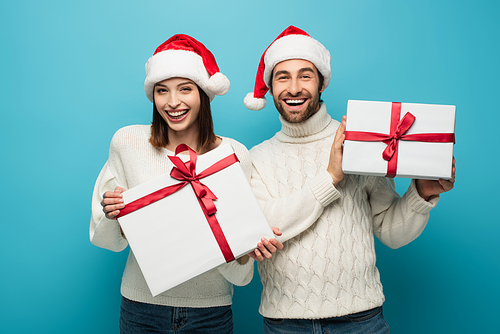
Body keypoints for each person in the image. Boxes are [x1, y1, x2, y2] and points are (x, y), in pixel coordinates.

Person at [244, 26, 456, 333]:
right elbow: (265, 228)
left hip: (361, 320)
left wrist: (420, 194)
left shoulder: (359, 144)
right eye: (282, 77)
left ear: (321, 83)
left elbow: (391, 234)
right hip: (285, 323)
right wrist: (330, 177)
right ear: (271, 87)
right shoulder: (257, 157)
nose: (293, 88)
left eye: (305, 75)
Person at [90, 34, 282, 334]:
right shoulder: (127, 143)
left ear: (203, 94)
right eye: (162, 90)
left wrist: (247, 249)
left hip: (210, 313)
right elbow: (107, 240)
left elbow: (240, 273)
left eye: (185, 89)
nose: (173, 102)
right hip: (142, 309)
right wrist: (114, 214)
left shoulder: (234, 155)